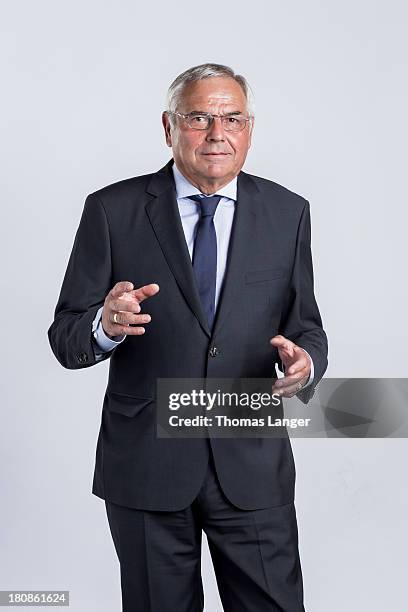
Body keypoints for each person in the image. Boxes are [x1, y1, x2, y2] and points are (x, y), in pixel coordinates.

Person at [48, 63, 328, 612]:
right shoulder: (112, 209)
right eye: (198, 117)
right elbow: (65, 336)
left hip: (251, 465)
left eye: (232, 118)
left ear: (249, 128)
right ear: (169, 126)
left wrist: (305, 364)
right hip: (147, 468)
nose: (217, 133)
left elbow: (305, 326)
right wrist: (104, 327)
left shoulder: (287, 212)